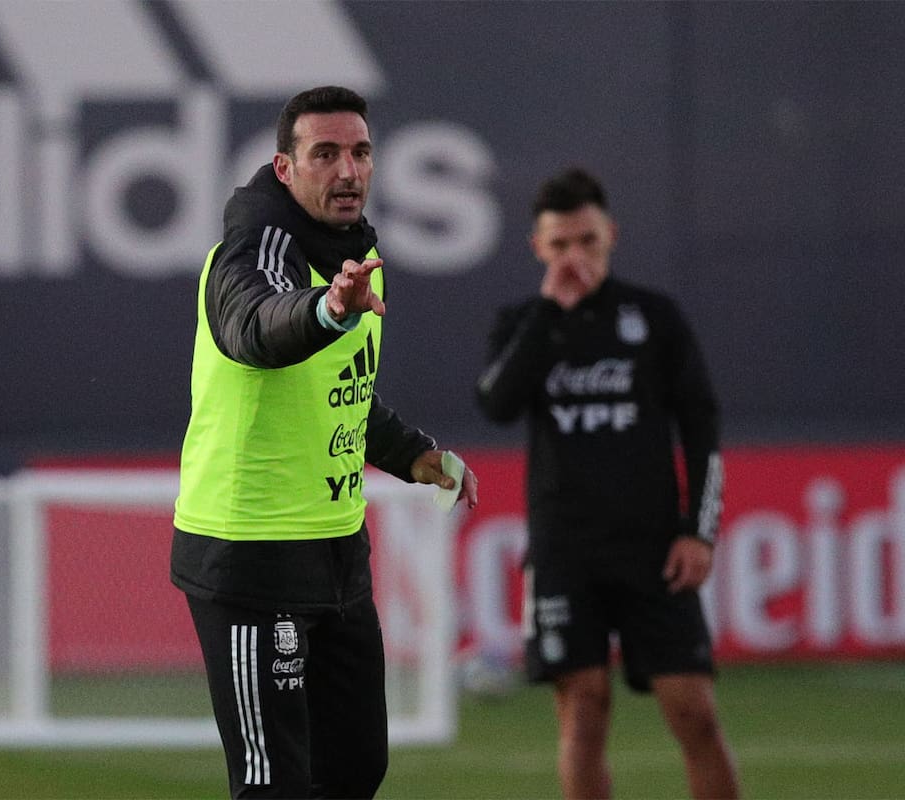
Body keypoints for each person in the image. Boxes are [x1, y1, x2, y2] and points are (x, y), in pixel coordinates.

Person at [171, 85, 478, 799]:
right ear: (286, 168)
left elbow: (344, 396)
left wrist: (414, 455)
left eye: (361, 152)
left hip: (337, 551)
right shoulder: (246, 254)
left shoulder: (357, 257)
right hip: (250, 557)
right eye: (325, 154)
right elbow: (260, 328)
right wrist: (326, 309)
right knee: (274, 786)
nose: (348, 170)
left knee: (355, 770)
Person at [476, 168, 740, 799]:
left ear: (611, 235)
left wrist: (699, 533)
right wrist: (549, 311)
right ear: (538, 248)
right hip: (566, 551)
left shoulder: (654, 318)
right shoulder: (523, 323)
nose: (575, 257)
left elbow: (702, 427)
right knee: (584, 711)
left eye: (587, 242)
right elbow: (496, 402)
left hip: (653, 549)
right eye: (560, 245)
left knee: (693, 712)